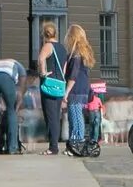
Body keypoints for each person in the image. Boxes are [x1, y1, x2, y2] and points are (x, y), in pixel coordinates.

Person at [35, 22, 69, 156]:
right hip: (60, 84)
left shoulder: (47, 46)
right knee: (56, 115)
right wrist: (62, 79)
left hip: (49, 84)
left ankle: (53, 147)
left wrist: (43, 72)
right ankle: (54, 145)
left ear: (44, 34)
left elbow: (40, 59)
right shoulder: (62, 48)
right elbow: (64, 67)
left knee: (50, 117)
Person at [61, 24, 95, 153]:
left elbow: (73, 76)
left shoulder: (76, 55)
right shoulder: (81, 54)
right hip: (83, 89)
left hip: (75, 90)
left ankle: (77, 143)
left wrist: (66, 92)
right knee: (74, 117)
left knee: (75, 117)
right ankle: (73, 144)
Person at [0, 55, 24, 155]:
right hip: (7, 78)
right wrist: (20, 95)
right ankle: (12, 148)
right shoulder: (18, 65)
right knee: (11, 111)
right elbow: (22, 81)